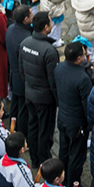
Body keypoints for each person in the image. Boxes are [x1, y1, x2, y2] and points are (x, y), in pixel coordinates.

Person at [19, 14, 60, 167]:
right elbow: (53, 81)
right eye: (50, 23)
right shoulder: (49, 51)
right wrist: (57, 100)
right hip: (45, 98)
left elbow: (21, 70)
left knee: (33, 125)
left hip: (29, 93)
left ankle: (35, 159)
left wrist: (29, 87)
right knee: (45, 131)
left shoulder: (24, 43)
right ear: (46, 28)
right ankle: (45, 160)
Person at [53, 42, 94, 187]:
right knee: (77, 157)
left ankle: (61, 180)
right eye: (84, 54)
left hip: (63, 117)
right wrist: (90, 124)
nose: (86, 55)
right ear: (78, 59)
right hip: (77, 124)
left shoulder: (58, 68)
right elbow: (87, 106)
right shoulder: (83, 78)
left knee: (63, 152)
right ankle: (72, 186)